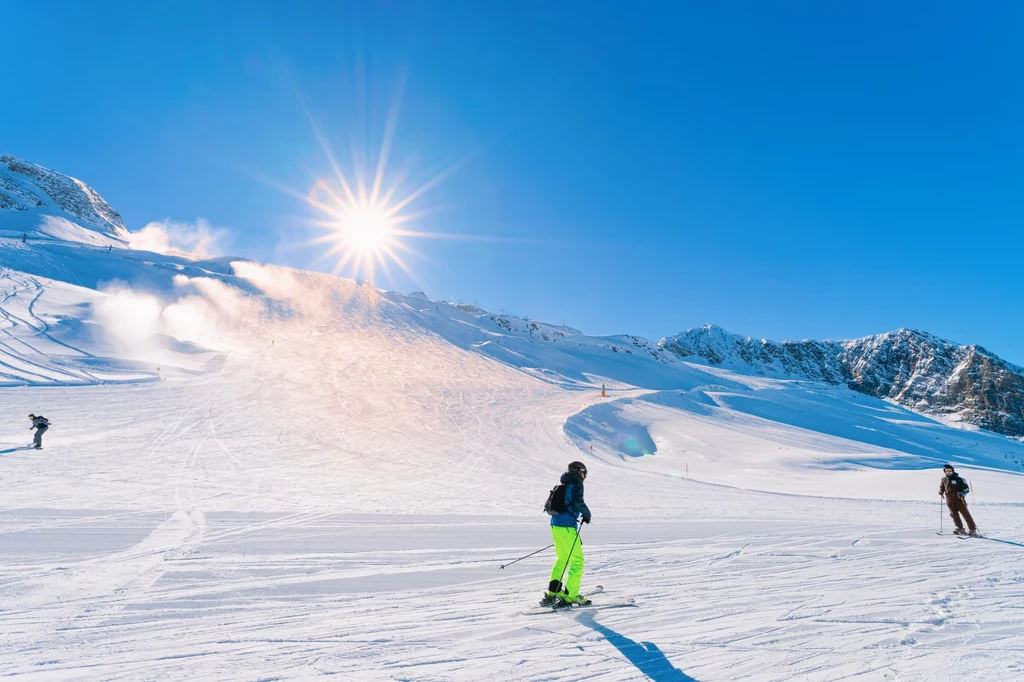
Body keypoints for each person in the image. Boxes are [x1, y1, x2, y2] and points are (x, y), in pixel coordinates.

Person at [541, 461, 592, 607]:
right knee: (577, 561)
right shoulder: (576, 484)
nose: (584, 477)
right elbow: (578, 502)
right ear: (578, 472)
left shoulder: (564, 484)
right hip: (567, 527)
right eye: (584, 473)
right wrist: (587, 515)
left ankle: (554, 591)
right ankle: (571, 595)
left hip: (555, 525)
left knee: (563, 558)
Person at [939, 464, 977, 536]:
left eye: (950, 471)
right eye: (946, 471)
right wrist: (941, 492)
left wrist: (962, 493)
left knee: (966, 514)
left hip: (960, 500)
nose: (948, 472)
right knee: (954, 515)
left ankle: (972, 529)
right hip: (950, 500)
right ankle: (960, 528)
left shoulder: (960, 479)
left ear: (953, 471)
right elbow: (942, 487)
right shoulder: (944, 479)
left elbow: (966, 489)